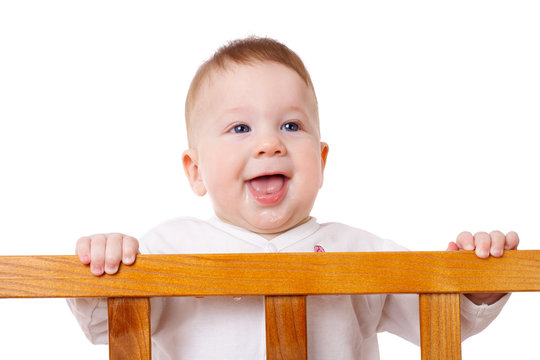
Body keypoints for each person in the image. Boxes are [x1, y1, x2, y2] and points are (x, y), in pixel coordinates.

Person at [68, 37, 519, 359]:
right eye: (240, 128)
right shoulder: (170, 248)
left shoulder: (359, 252)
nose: (269, 144)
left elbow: (439, 321)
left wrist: (477, 285)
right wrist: (104, 267)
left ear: (321, 161)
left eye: (291, 126)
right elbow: (106, 326)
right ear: (196, 170)